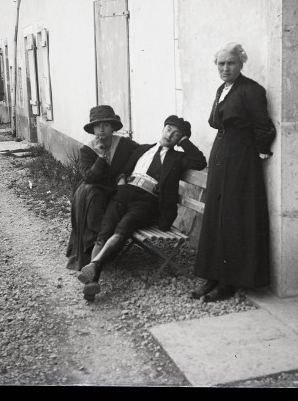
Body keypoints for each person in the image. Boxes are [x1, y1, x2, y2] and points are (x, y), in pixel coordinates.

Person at [77, 115, 207, 301]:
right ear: (163, 129)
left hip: (147, 200)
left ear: (179, 140)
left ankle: (94, 272)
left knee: (123, 229)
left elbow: (200, 161)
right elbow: (121, 165)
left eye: (176, 134)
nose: (170, 135)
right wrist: (121, 180)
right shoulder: (142, 149)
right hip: (124, 192)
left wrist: (185, 139)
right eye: (169, 129)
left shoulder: (177, 158)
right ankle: (93, 278)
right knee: (105, 229)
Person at [191, 43, 276, 302]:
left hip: (240, 159)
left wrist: (258, 153)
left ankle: (230, 281)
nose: (225, 68)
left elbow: (265, 127)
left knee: (233, 216)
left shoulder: (251, 90)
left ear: (241, 64)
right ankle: (213, 276)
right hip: (221, 155)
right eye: (221, 63)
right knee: (217, 214)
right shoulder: (222, 89)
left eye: (231, 63)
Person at [66, 105, 139, 271]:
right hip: (93, 190)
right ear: (93, 129)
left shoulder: (124, 144)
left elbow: (141, 153)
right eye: (98, 126)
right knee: (93, 198)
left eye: (106, 125)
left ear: (113, 127)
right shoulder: (87, 149)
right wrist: (100, 157)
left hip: (115, 190)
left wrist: (125, 174)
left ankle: (107, 249)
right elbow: (90, 178)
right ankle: (93, 254)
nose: (101, 129)